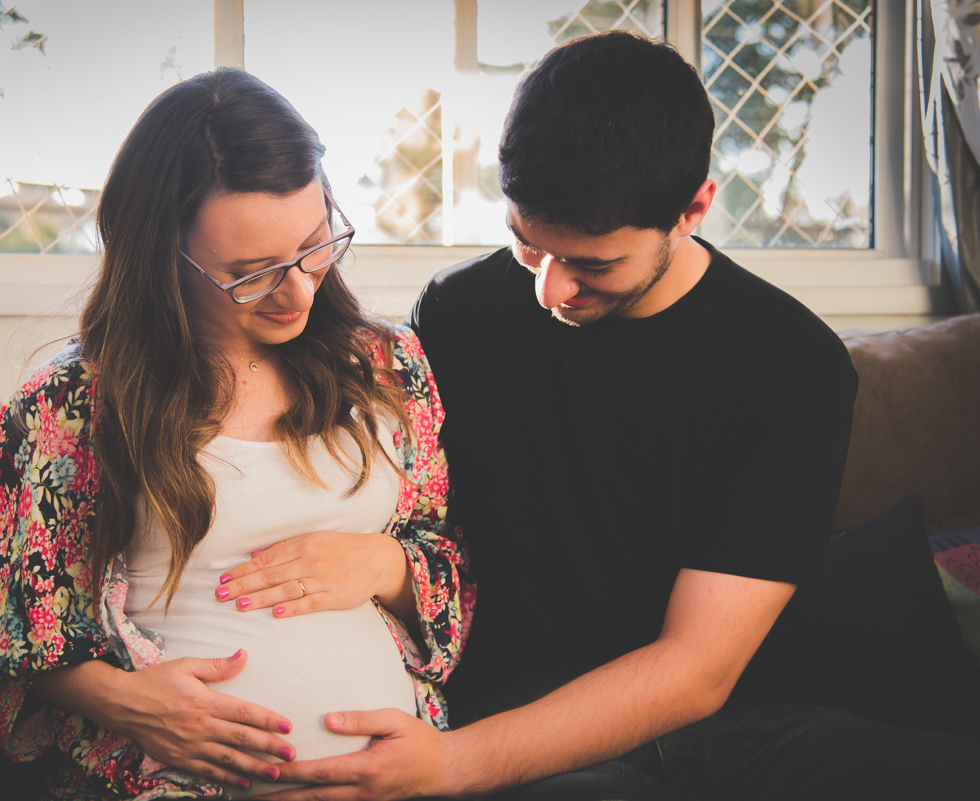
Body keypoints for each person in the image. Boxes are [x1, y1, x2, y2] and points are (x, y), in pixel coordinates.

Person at [260, 31, 980, 801]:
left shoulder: (788, 363)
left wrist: (450, 765)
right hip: (513, 719)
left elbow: (696, 669)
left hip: (739, 726)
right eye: (526, 245)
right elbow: (408, 523)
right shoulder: (458, 312)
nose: (551, 290)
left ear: (693, 208)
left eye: (593, 265)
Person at [0, 68, 472, 800]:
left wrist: (387, 565)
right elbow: (4, 630)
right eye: (250, 273)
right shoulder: (73, 403)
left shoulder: (389, 366)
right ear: (164, 258)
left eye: (316, 245)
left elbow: (451, 560)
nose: (301, 292)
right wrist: (127, 700)